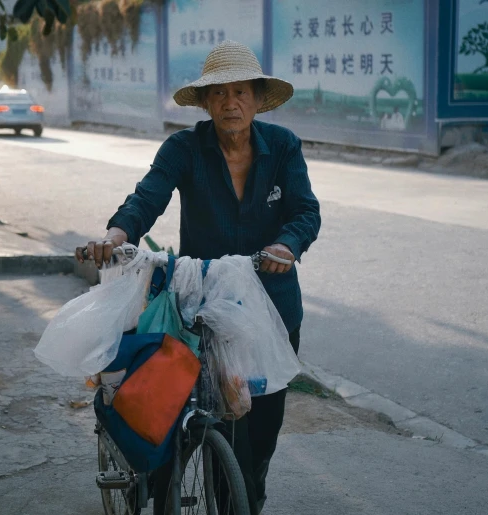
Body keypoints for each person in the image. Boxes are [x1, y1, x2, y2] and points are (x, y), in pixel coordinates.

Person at [77, 40, 321, 514]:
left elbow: (305, 211)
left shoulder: (284, 148)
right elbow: (146, 198)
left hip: (271, 312)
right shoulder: (184, 149)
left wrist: (286, 245)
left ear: (256, 98)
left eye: (241, 92)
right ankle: (160, 489)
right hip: (201, 309)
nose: (231, 102)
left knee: (260, 435)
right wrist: (116, 233)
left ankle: (246, 501)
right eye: (220, 93)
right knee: (179, 422)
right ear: (207, 103)